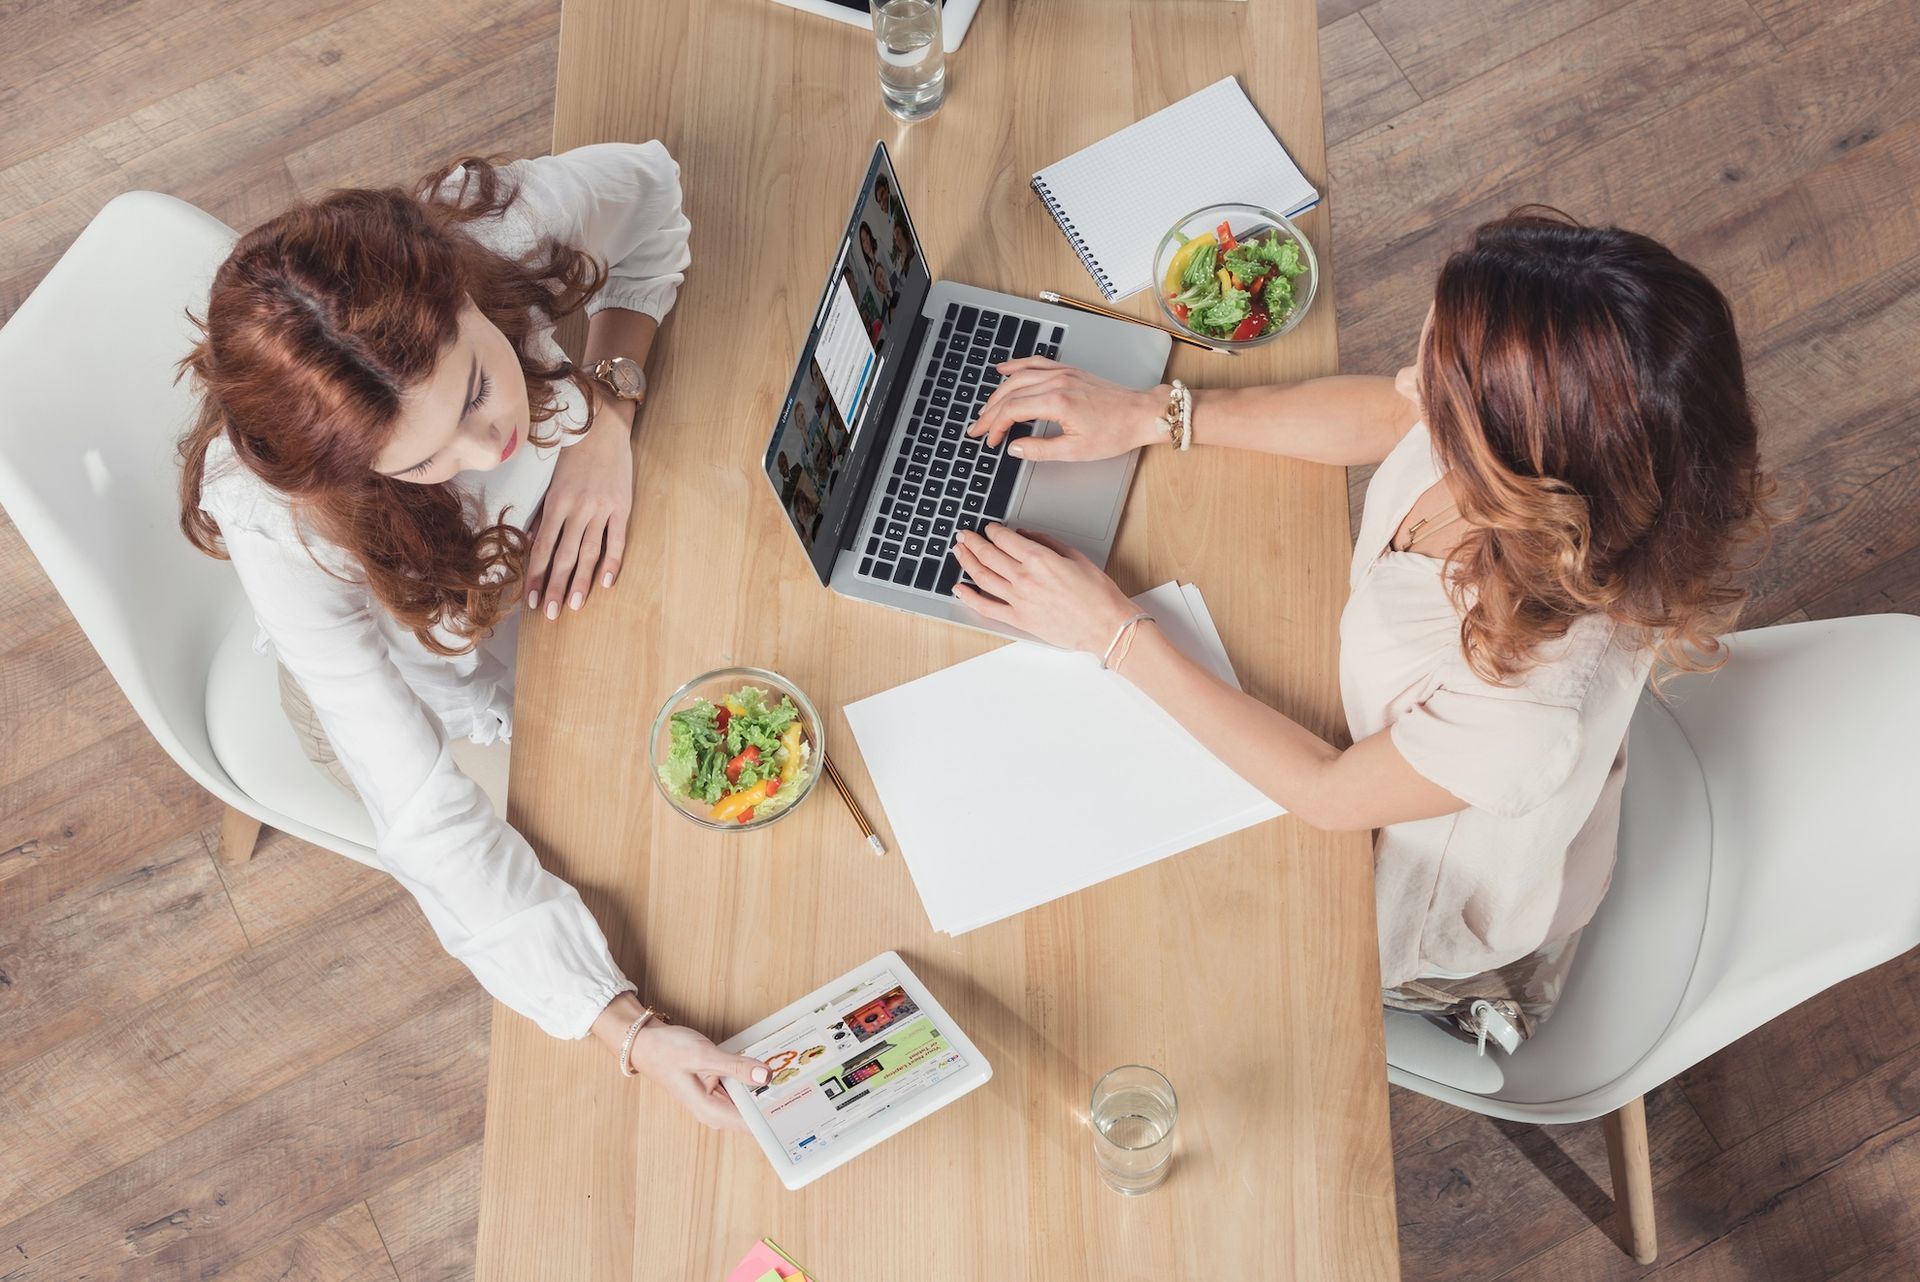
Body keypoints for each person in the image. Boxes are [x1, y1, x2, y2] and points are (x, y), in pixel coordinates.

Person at [957, 210, 1774, 1041]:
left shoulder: (1533, 709)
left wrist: (1113, 632)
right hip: (1416, 762)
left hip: (1415, 902)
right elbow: (1391, 422)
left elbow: (1329, 793)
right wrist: (1158, 415)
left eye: (1443, 389)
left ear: (1530, 464)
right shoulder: (1540, 459)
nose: (1407, 382)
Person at [177, 143, 770, 1125]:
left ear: (460, 286)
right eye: (418, 463)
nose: (484, 447)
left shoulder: (489, 226)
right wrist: (624, 1026)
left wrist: (608, 411)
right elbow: (423, 816)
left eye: (476, 392)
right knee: (666, 871)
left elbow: (657, 191)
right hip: (432, 702)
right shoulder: (287, 531)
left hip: (538, 579)